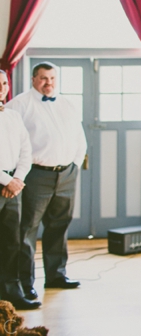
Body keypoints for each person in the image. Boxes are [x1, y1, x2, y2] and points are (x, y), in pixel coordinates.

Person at [6, 62, 87, 299]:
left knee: (59, 226)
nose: (48, 83)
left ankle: (56, 275)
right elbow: (11, 140)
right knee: (27, 230)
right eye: (43, 78)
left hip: (66, 174)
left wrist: (74, 163)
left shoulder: (67, 104)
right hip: (35, 175)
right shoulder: (19, 105)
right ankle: (24, 283)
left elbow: (79, 136)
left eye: (52, 78)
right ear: (33, 79)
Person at [0, 70, 41, 310]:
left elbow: (26, 151)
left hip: (14, 186)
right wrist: (7, 181)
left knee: (11, 242)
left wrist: (17, 179)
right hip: (6, 183)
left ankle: (11, 294)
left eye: (4, 83)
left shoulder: (13, 116)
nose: (2, 87)